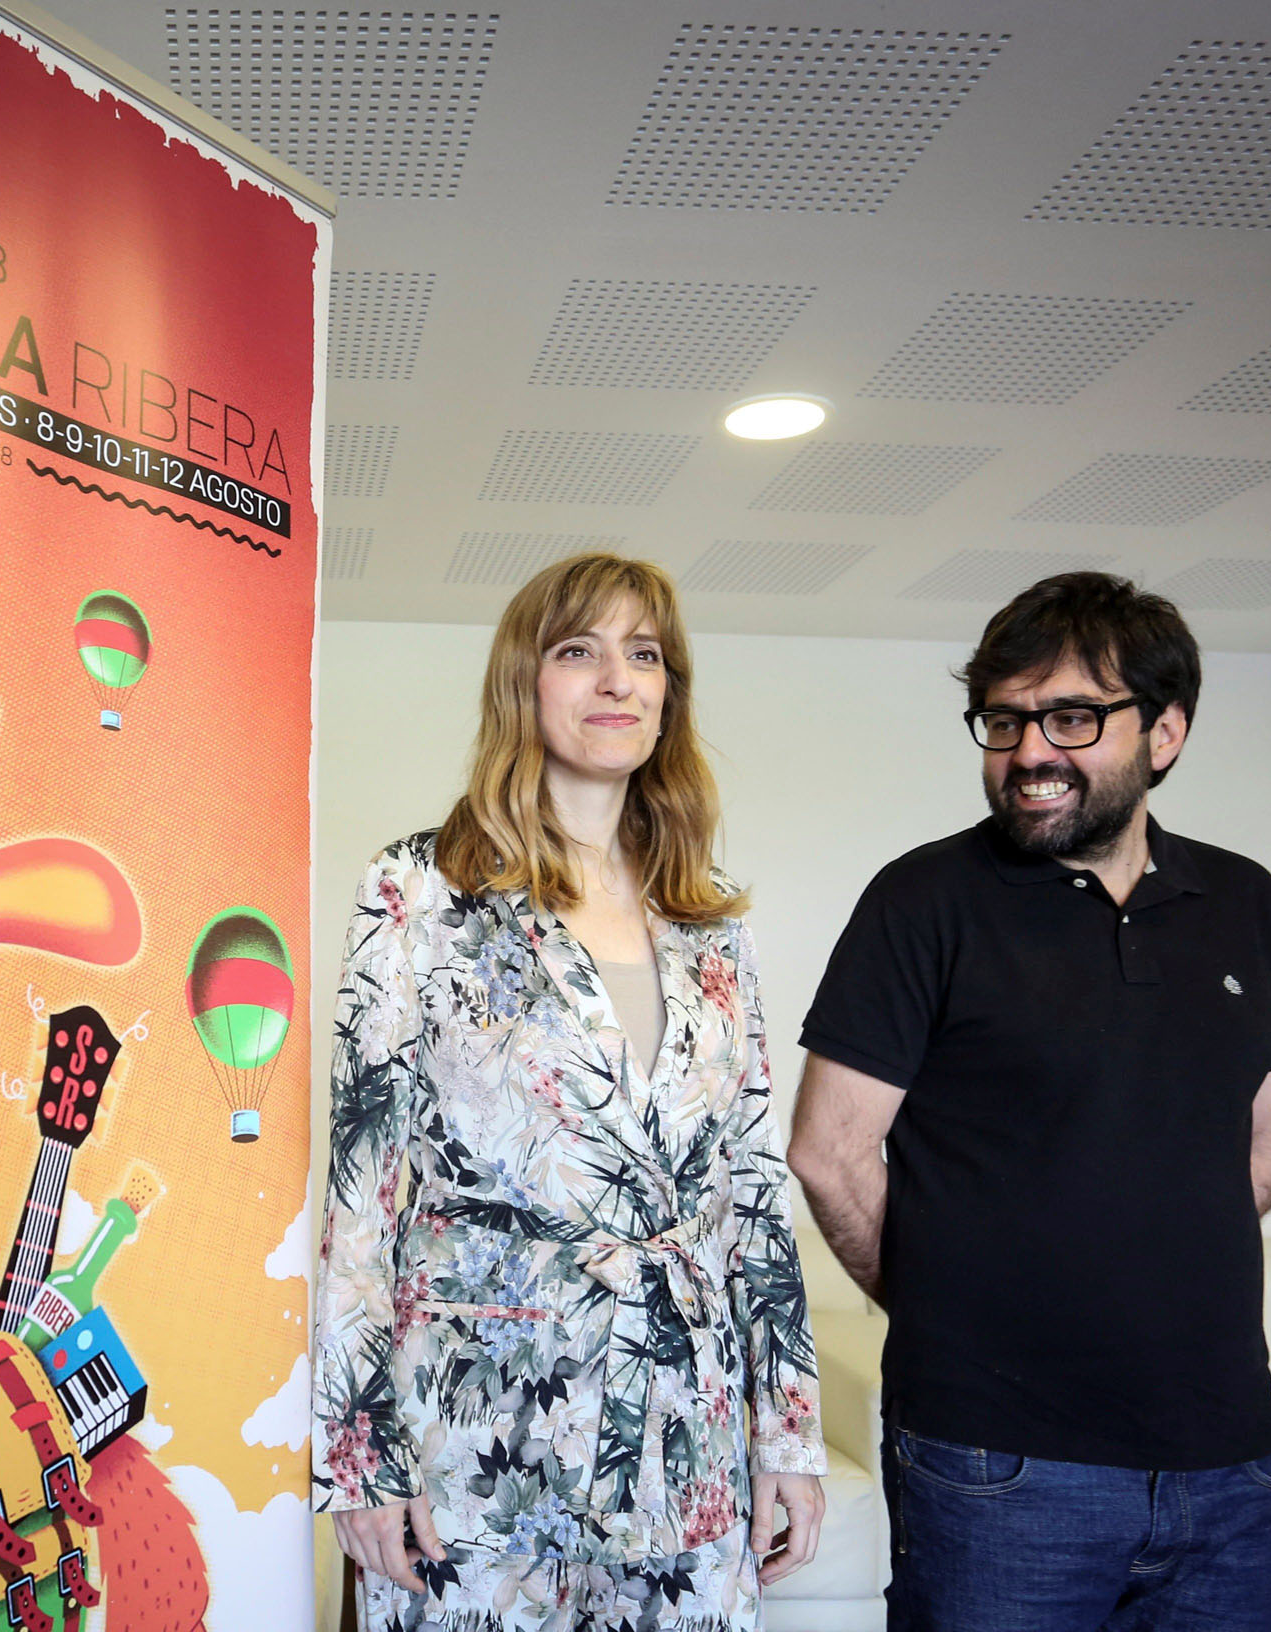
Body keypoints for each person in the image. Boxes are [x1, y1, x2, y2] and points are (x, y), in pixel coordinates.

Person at [788, 572, 1271, 1632]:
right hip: (995, 1462)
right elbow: (829, 1153)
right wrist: (954, 1302)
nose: (1030, 752)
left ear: (1165, 732)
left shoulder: (1248, 904)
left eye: (1073, 718)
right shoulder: (923, 901)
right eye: (1004, 720)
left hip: (1227, 1463)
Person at [313, 553, 827, 1631]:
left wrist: (788, 1436)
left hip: (687, 1429)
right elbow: (366, 1193)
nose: (617, 682)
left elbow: (754, 1192)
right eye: (579, 651)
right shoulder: (420, 890)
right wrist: (360, 1459)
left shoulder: (709, 928)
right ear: (525, 682)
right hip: (480, 1432)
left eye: (645, 656)